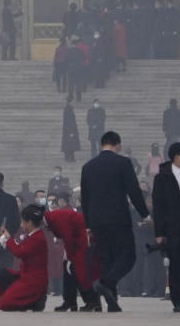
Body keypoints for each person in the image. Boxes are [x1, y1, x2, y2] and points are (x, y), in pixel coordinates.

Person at [80, 131, 149, 312]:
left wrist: (87, 225)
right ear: (117, 145)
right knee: (128, 256)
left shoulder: (88, 167)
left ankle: (112, 302)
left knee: (106, 260)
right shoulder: (123, 163)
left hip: (96, 221)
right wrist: (145, 214)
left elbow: (84, 199)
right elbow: (134, 191)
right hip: (118, 219)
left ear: (102, 144)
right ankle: (105, 282)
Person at [0, 204, 48, 311]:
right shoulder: (33, 235)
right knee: (1, 275)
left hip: (34, 280)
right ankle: (27, 300)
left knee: (7, 303)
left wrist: (8, 238)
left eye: (22, 222)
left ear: (29, 222)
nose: (21, 225)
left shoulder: (37, 238)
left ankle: (35, 300)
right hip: (26, 275)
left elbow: (19, 252)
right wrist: (7, 238)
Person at [45, 204, 101, 312]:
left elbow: (68, 236)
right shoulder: (54, 217)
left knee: (78, 271)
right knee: (68, 270)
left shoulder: (57, 217)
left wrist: (70, 257)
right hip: (76, 241)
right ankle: (70, 301)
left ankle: (92, 300)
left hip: (81, 242)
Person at [152, 141, 180, 313]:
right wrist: (159, 233)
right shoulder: (162, 177)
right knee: (176, 265)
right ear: (177, 156)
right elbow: (158, 206)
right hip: (173, 229)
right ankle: (177, 300)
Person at [61, 96, 81, 163]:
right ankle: (70, 158)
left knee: (69, 143)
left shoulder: (68, 109)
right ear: (70, 102)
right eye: (73, 101)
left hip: (68, 130)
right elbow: (69, 121)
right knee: (71, 144)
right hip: (69, 130)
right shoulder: (68, 110)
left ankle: (68, 157)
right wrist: (71, 131)